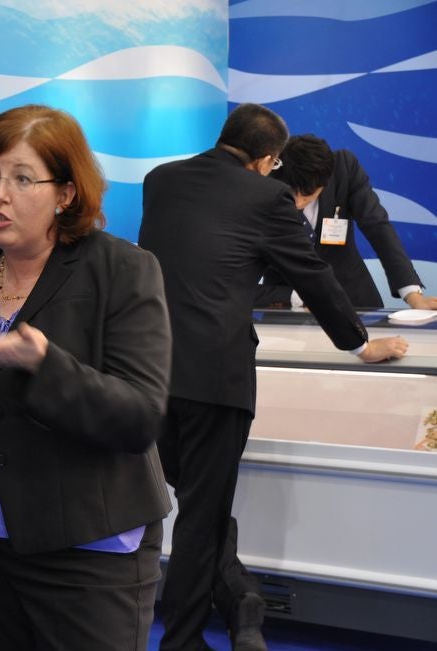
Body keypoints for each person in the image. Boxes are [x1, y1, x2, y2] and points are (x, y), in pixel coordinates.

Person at [138, 103, 409, 651]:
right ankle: (186, 640)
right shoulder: (266, 197)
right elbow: (312, 274)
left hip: (152, 371)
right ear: (267, 160)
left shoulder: (160, 180)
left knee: (199, 508)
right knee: (203, 517)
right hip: (217, 380)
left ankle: (242, 602)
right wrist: (359, 345)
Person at [0, 105, 173, 651]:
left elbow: (140, 418)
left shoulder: (121, 269)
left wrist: (43, 364)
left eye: (22, 179)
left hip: (86, 548)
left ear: (66, 193)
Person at [256, 133, 437, 310]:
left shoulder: (343, 169)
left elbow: (377, 227)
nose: (297, 203)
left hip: (352, 298)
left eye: (307, 195)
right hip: (287, 308)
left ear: (325, 183)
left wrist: (413, 296)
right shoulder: (261, 183)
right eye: (291, 193)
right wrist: (293, 297)